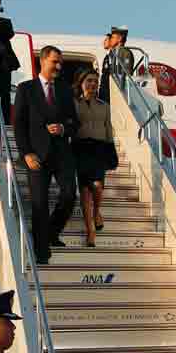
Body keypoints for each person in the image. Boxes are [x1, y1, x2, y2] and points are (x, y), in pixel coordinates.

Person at [13, 45, 79, 264]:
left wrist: (63, 128)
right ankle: (41, 252)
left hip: (61, 155)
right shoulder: (26, 89)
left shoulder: (64, 90)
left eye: (60, 62)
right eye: (54, 62)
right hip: (37, 156)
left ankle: (51, 231)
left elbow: (74, 123)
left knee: (70, 194)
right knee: (39, 204)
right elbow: (19, 125)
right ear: (42, 61)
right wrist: (26, 154)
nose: (59, 66)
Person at [71, 69, 115, 247]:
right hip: (80, 148)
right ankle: (91, 231)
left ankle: (97, 211)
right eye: (89, 81)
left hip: (99, 148)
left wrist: (110, 150)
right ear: (81, 83)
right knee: (85, 191)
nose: (92, 84)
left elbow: (108, 128)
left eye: (95, 82)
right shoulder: (74, 104)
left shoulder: (104, 106)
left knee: (97, 186)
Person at [99, 25, 133, 103]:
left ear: (119, 39)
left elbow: (126, 75)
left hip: (116, 94)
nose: (111, 40)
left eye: (113, 37)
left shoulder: (125, 53)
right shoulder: (111, 54)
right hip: (106, 93)